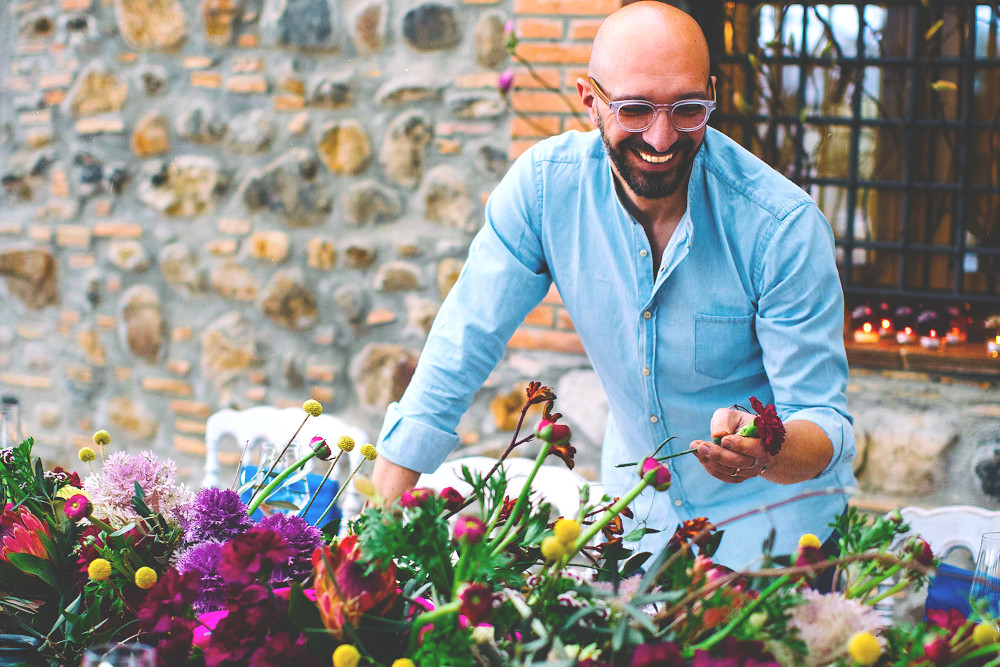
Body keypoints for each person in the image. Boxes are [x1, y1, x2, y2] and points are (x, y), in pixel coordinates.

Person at [372, 1, 856, 569]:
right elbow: (463, 339)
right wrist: (382, 529)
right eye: (633, 109)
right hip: (637, 529)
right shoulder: (545, 191)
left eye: (688, 109)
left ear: (711, 97)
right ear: (590, 99)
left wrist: (767, 447)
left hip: (777, 539)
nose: (661, 136)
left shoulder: (782, 227)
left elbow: (823, 418)